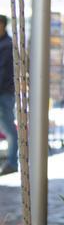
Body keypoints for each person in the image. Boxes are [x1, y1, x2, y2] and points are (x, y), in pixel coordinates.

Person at [0, 15, 16, 175]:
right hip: (4, 92)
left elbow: (4, 73)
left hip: (4, 93)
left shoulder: (7, 45)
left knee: (9, 129)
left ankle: (12, 161)